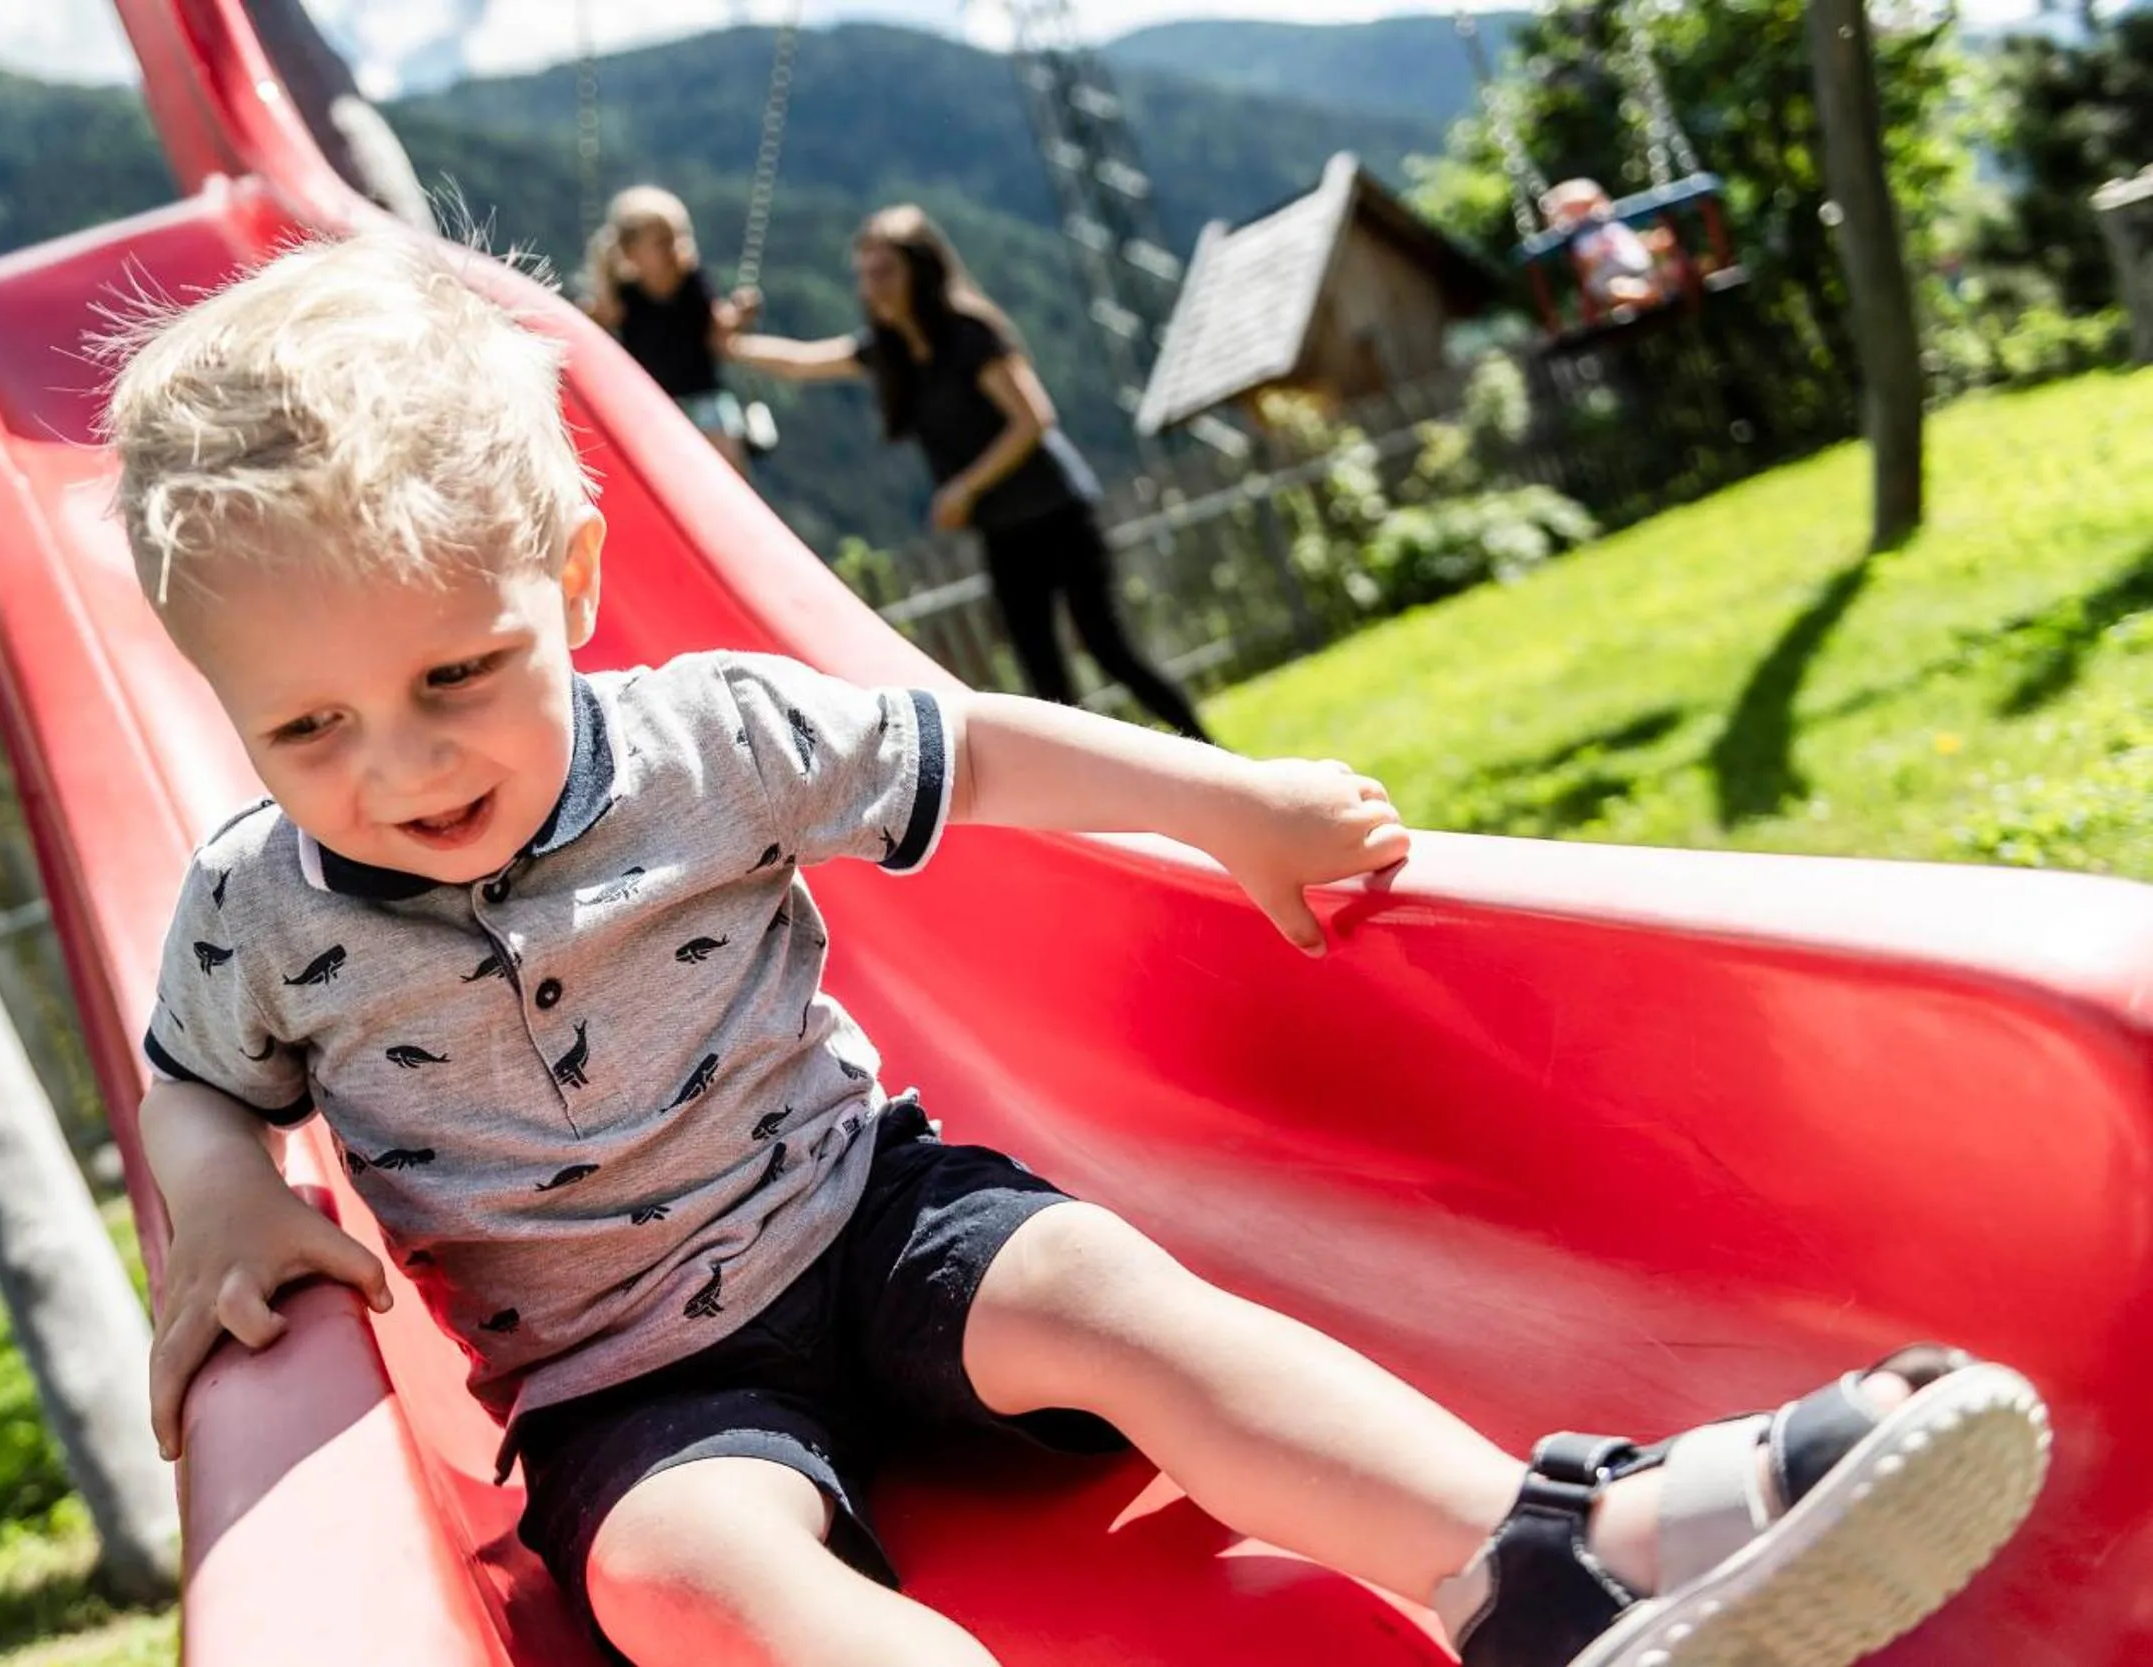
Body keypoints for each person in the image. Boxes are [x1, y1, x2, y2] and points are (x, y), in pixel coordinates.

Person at [103, 229, 2051, 1667]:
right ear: (228, 706)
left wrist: (1228, 801)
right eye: (308, 727)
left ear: (576, 584)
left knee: (1118, 1296)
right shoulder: (259, 911)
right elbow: (197, 1079)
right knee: (673, 1574)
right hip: (623, 1379)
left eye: (461, 669)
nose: (400, 757)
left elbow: (979, 740)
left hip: (870, 1215)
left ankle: (1557, 1549)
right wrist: (223, 1203)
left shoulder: (713, 737)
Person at [728, 205, 1212, 742]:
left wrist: (964, 487)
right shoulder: (890, 353)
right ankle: (1102, 808)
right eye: (865, 274)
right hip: (1003, 529)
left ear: (921, 269)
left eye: (885, 271)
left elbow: (1033, 420)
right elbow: (801, 362)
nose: (873, 287)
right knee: (1045, 681)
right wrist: (728, 343)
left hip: (1058, 513)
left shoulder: (969, 333)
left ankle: (1213, 754)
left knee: (1108, 648)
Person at [584, 185, 759, 473]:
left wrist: (739, 315)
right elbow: (600, 321)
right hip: (650, 402)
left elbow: (719, 327)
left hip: (703, 395)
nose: (675, 248)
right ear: (630, 250)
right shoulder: (624, 295)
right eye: (662, 242)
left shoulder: (693, 283)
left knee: (727, 466)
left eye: (679, 238)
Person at [1543, 178, 1664, 314]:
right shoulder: (1580, 239)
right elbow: (1584, 264)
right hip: (1609, 276)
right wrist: (1594, 255)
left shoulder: (1612, 226)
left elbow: (1634, 242)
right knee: (1619, 287)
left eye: (1588, 206)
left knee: (1664, 269)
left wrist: (1651, 241)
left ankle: (1641, 299)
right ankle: (1644, 297)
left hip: (1638, 266)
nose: (1589, 214)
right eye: (1578, 210)